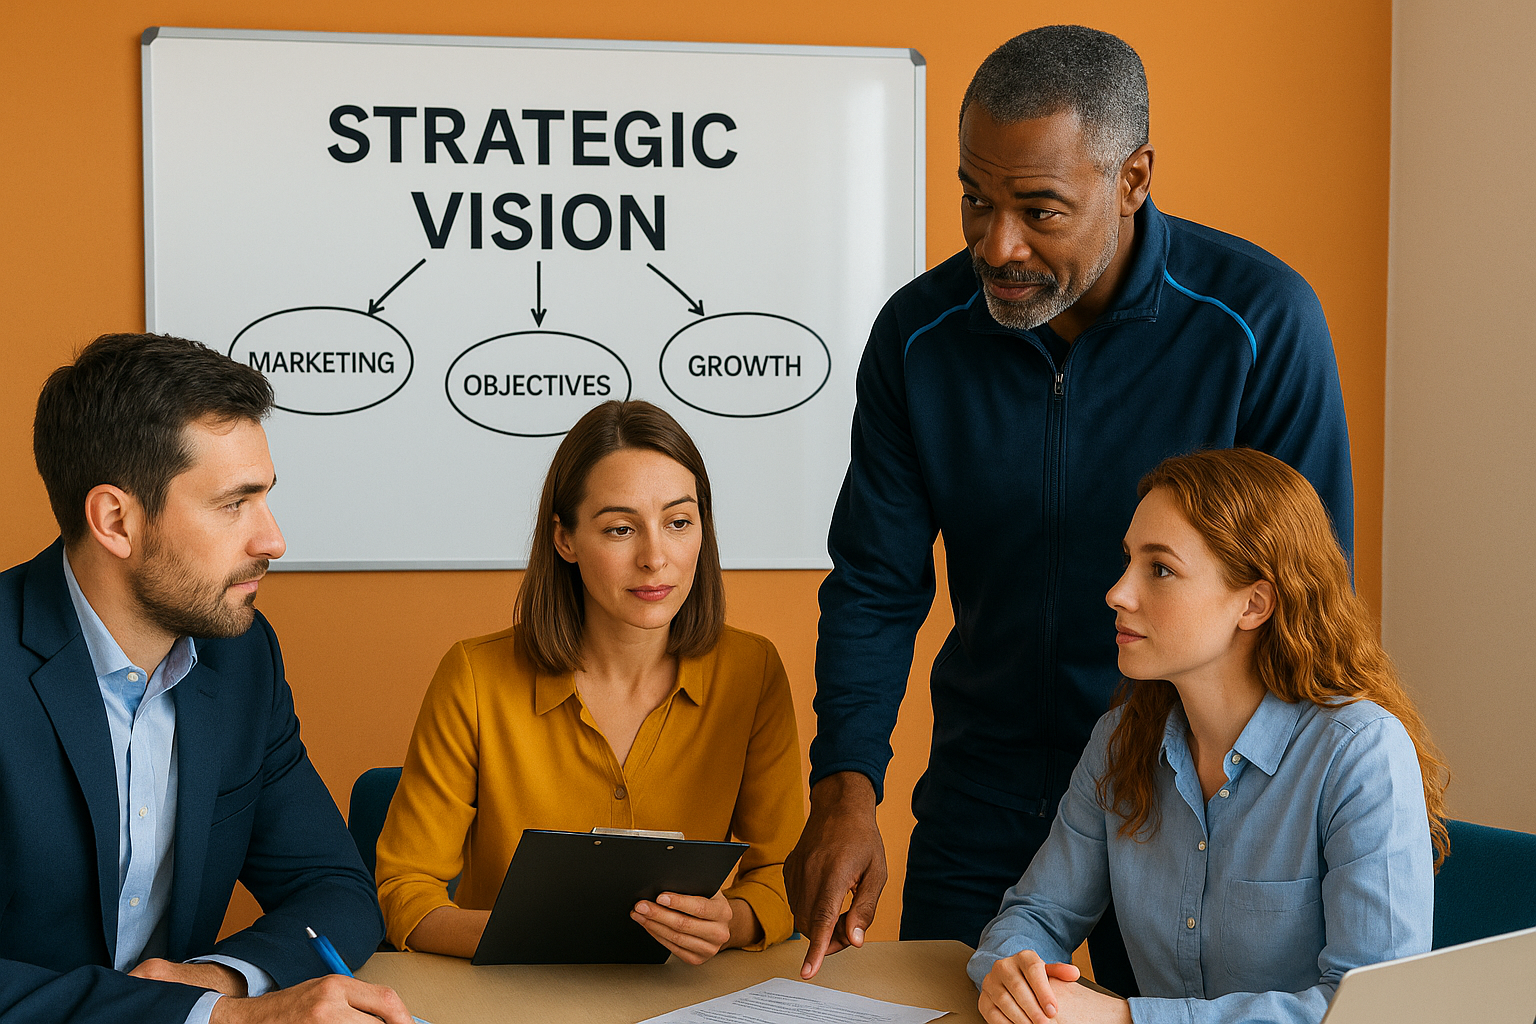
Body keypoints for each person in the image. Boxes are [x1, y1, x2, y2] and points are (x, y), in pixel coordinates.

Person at [787, 25, 1355, 988]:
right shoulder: (918, 339)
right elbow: (876, 585)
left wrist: (1271, 819)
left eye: (1040, 210)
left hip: (1189, 794)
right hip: (984, 791)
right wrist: (845, 787)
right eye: (976, 199)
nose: (996, 244)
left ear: (1132, 178)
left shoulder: (1259, 326)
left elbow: (1303, 600)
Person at [0, 333, 412, 1024]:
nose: (272, 539)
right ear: (116, 520)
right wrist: (211, 1019)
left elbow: (333, 885)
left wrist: (221, 977)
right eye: (233, 504)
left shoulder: (242, 658)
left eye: (266, 498)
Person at [968, 447, 1447, 1024]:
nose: (1117, 593)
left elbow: (1378, 1011)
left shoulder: (1361, 752)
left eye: (1160, 569)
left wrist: (1126, 1021)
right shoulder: (1121, 741)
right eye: (1128, 561)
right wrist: (1017, 977)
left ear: (1254, 603)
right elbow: (1036, 914)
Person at [375, 399, 803, 963]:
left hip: (687, 999)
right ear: (565, 540)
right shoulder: (475, 677)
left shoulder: (754, 671)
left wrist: (732, 921)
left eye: (678, 522)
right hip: (510, 999)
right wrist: (542, 939)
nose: (655, 558)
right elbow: (406, 893)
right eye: (621, 529)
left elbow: (784, 875)